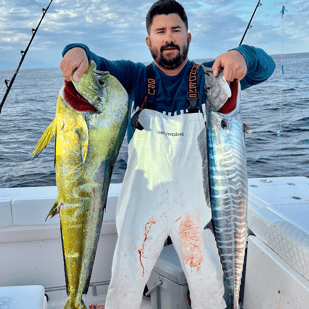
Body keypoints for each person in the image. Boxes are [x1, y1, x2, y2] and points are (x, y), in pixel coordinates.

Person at [60, 1, 275, 308]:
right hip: (141, 207)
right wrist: (76, 50)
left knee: (209, 289)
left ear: (188, 37)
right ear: (149, 41)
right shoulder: (134, 77)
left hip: (194, 210)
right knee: (124, 286)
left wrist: (243, 55)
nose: (169, 37)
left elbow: (265, 67)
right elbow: (94, 64)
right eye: (160, 31)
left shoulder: (210, 77)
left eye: (176, 30)